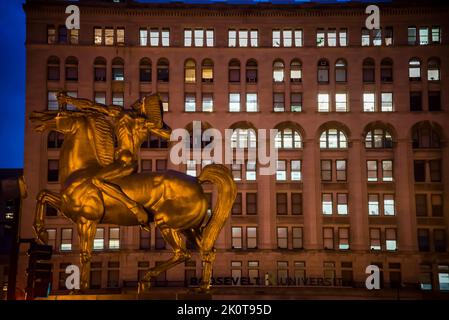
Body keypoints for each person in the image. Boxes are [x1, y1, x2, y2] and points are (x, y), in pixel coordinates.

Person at [56, 92, 171, 226]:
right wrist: (158, 122)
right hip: (121, 161)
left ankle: (133, 207)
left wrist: (70, 100)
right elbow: (168, 134)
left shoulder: (121, 114)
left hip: (125, 163)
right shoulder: (144, 123)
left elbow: (92, 106)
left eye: (141, 102)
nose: (138, 103)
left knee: (96, 180)